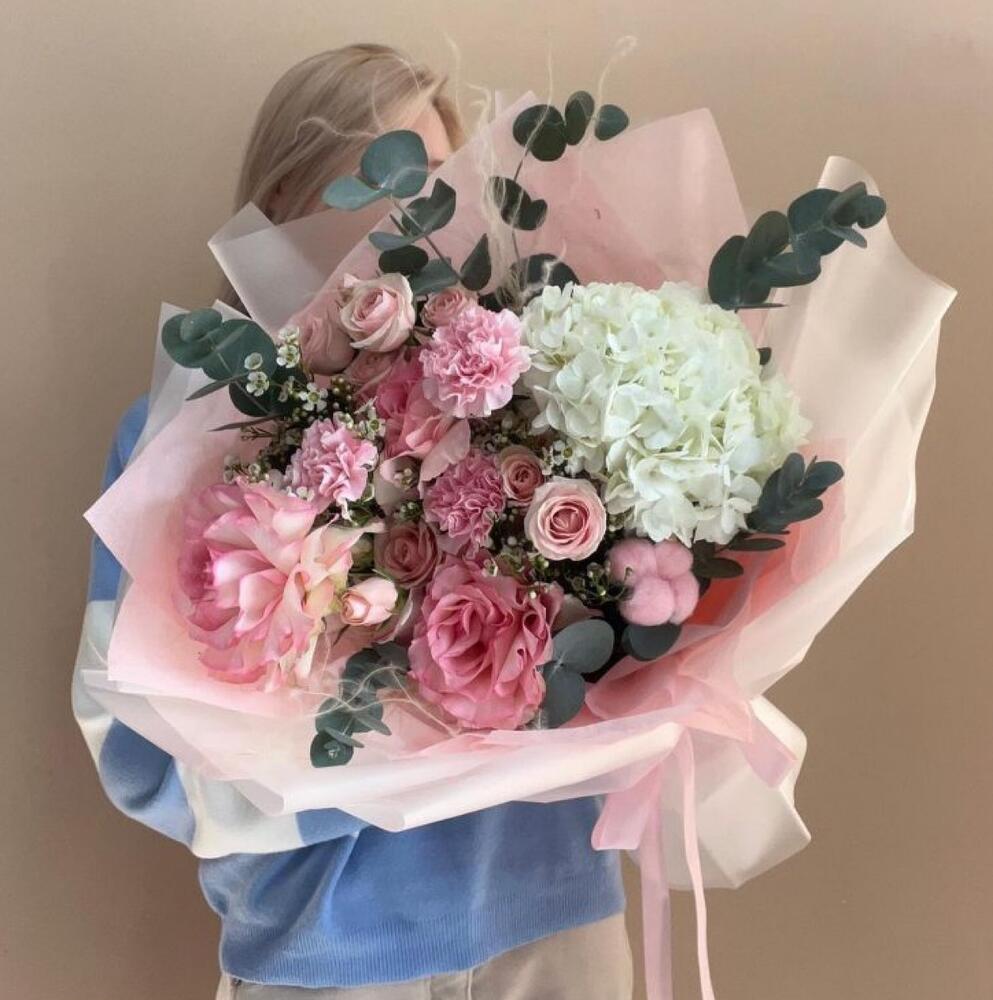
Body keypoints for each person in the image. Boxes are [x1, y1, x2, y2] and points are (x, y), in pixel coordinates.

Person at [74, 44, 632, 1000]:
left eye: (434, 179)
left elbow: (626, 651)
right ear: (282, 201)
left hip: (555, 919)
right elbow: (133, 748)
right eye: (369, 177)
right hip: (328, 954)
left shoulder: (533, 392)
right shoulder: (176, 439)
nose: (407, 213)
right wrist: (374, 771)